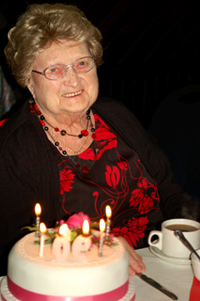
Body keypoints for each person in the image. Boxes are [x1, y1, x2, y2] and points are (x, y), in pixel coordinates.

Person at [0, 3, 198, 277]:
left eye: (82, 63)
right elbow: (17, 244)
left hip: (160, 264)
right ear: (28, 81)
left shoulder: (116, 114)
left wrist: (192, 226)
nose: (73, 80)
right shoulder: (16, 147)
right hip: (83, 279)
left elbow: (169, 191)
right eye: (55, 70)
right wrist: (96, 245)